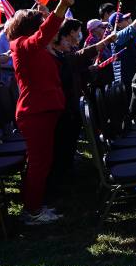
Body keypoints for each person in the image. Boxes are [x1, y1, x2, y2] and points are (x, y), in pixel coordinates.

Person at [8, 0, 73, 225]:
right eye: (39, 23)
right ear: (29, 27)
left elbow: (49, 34)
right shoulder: (23, 45)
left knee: (41, 161)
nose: (43, 27)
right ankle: (32, 211)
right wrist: (60, 9)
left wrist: (52, 14)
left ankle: (34, 203)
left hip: (43, 110)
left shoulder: (35, 48)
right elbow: (45, 33)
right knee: (39, 162)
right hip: (35, 113)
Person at [50, 19, 116, 184]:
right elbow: (78, 59)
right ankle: (62, 177)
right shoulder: (59, 58)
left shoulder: (64, 54)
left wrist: (87, 71)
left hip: (72, 101)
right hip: (66, 103)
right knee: (64, 141)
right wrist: (105, 41)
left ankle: (68, 170)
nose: (68, 42)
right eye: (64, 39)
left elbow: (77, 68)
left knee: (70, 140)